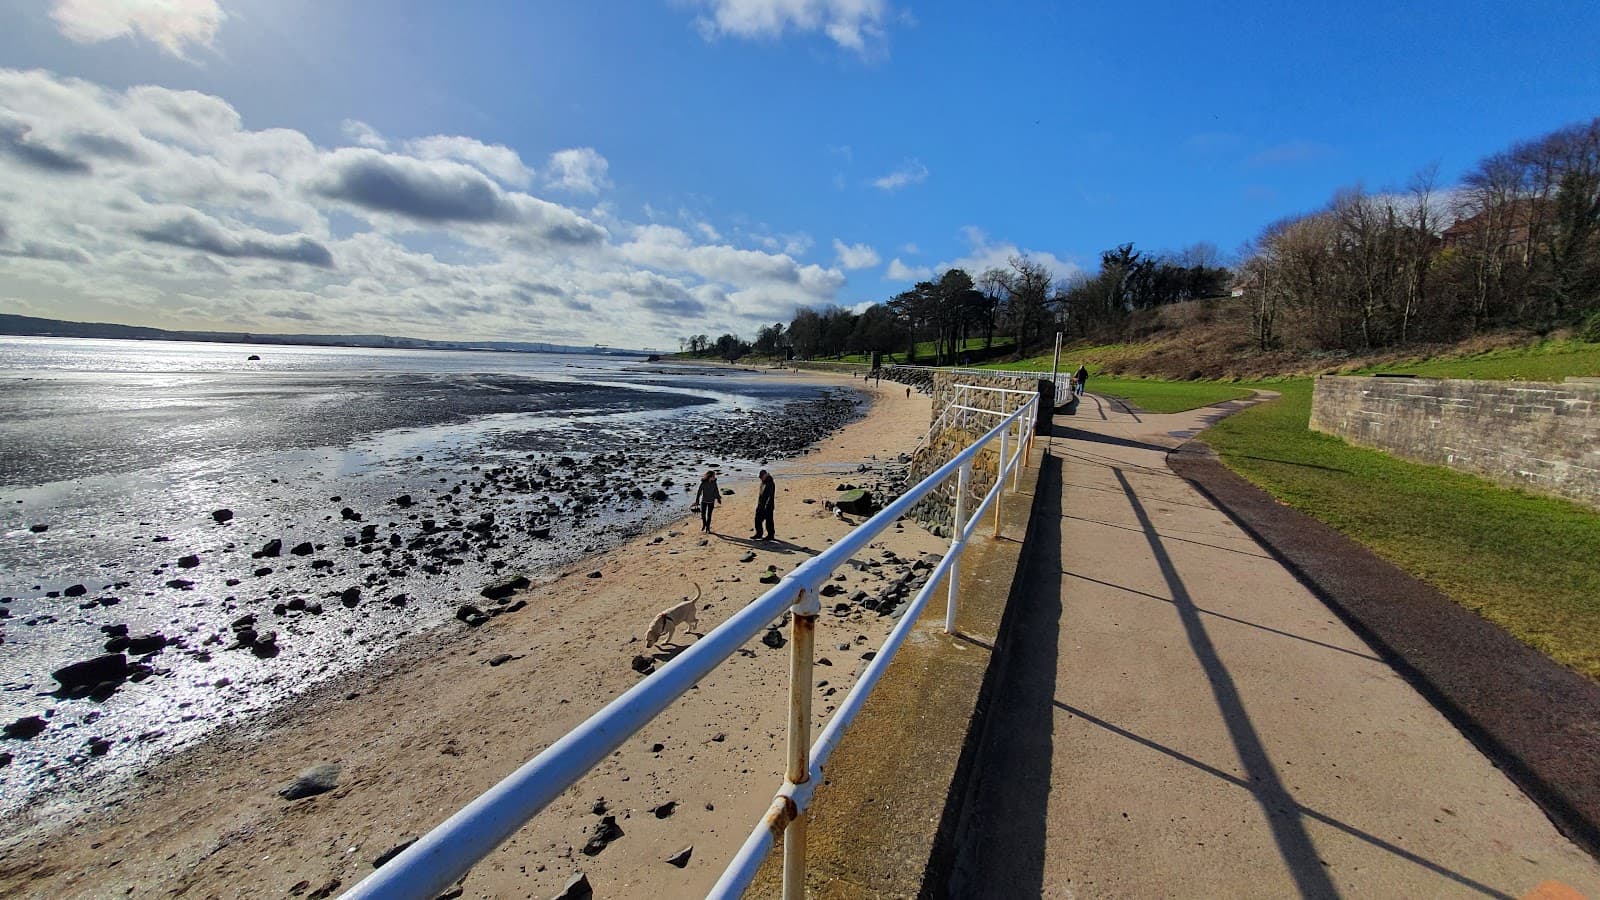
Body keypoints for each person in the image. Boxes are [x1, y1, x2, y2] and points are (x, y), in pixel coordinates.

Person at [752, 469, 776, 540]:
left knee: (769, 521)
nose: (760, 478)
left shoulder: (770, 483)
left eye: (761, 477)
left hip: (768, 506)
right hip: (761, 504)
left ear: (765, 475)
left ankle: (771, 535)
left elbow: (770, 496)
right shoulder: (763, 482)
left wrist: (767, 505)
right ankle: (759, 534)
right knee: (757, 519)